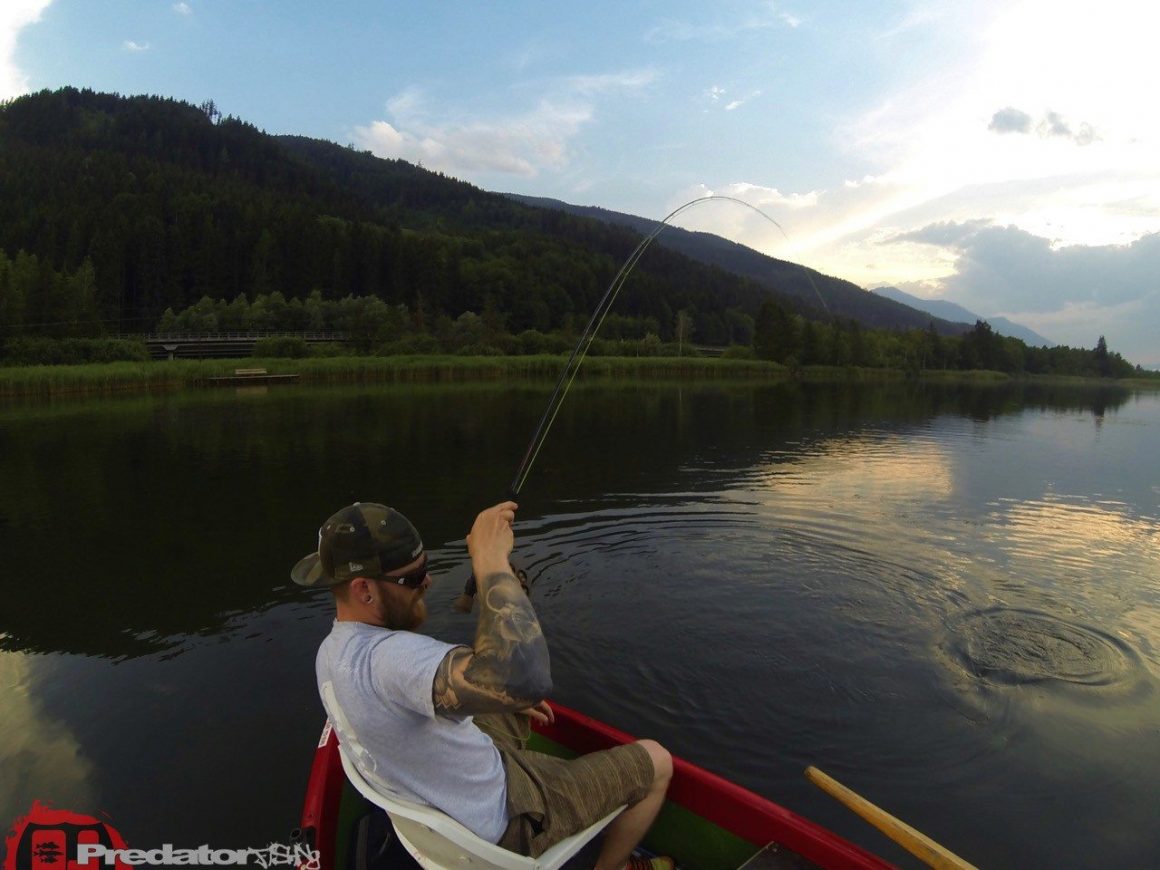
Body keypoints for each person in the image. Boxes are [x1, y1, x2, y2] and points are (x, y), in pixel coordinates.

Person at [291, 500, 673, 870]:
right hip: (503, 820)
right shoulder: (392, 660)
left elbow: (503, 685)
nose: (428, 580)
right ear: (364, 590)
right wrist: (490, 560)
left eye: (425, 567)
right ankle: (613, 866)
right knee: (657, 762)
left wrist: (499, 697)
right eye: (412, 577)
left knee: (507, 701)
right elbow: (527, 678)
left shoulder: (331, 653)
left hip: (443, 804)